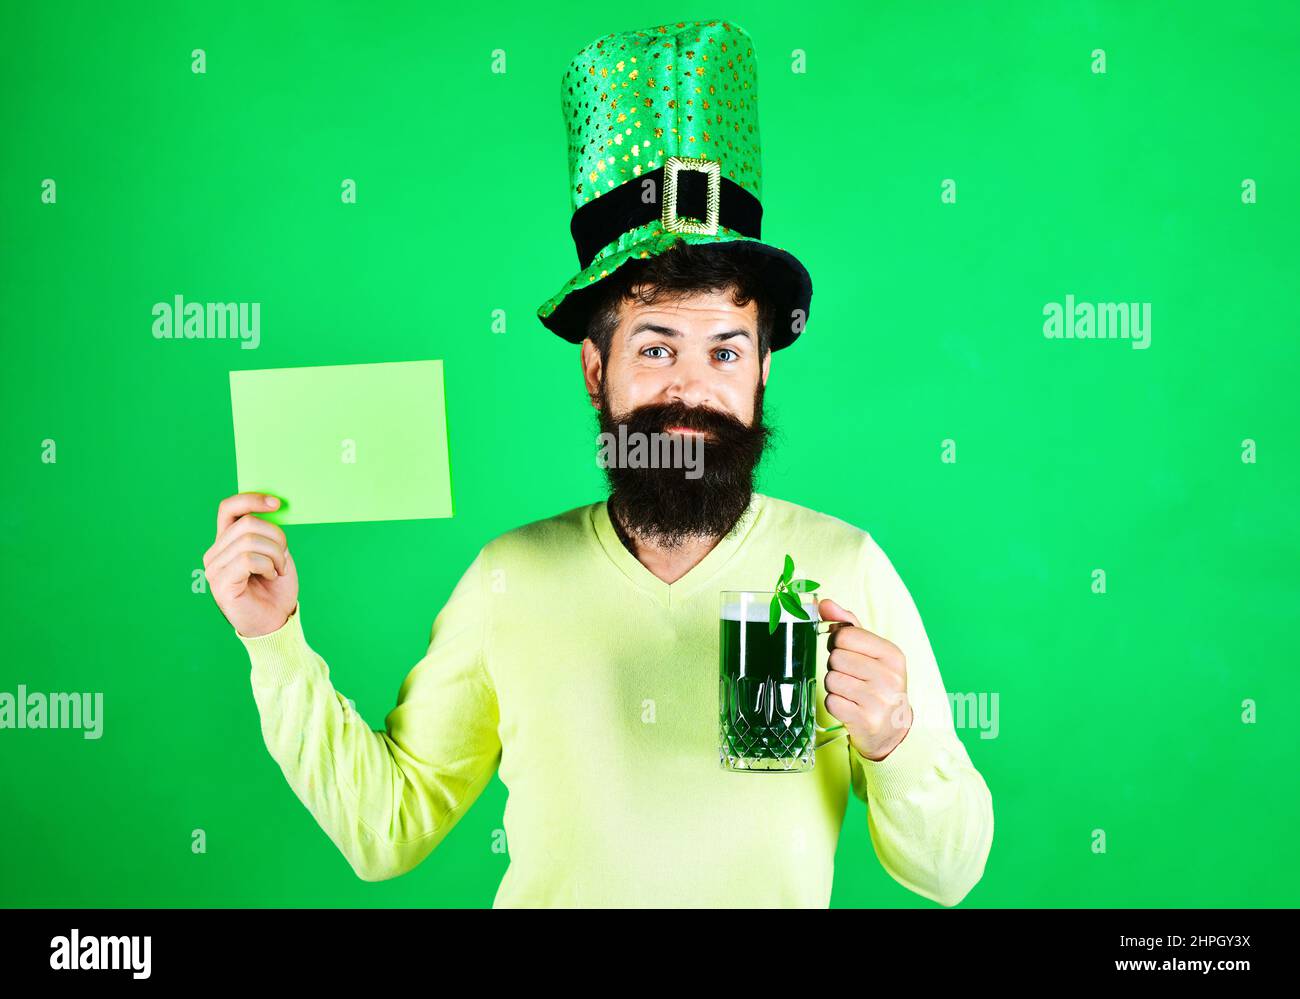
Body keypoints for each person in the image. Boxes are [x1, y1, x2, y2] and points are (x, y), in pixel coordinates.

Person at [203, 19, 993, 907]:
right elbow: (386, 827)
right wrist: (275, 644)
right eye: (656, 349)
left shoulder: (846, 570)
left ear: (764, 369)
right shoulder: (510, 579)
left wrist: (894, 736)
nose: (693, 389)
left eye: (726, 352)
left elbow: (950, 872)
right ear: (595, 369)